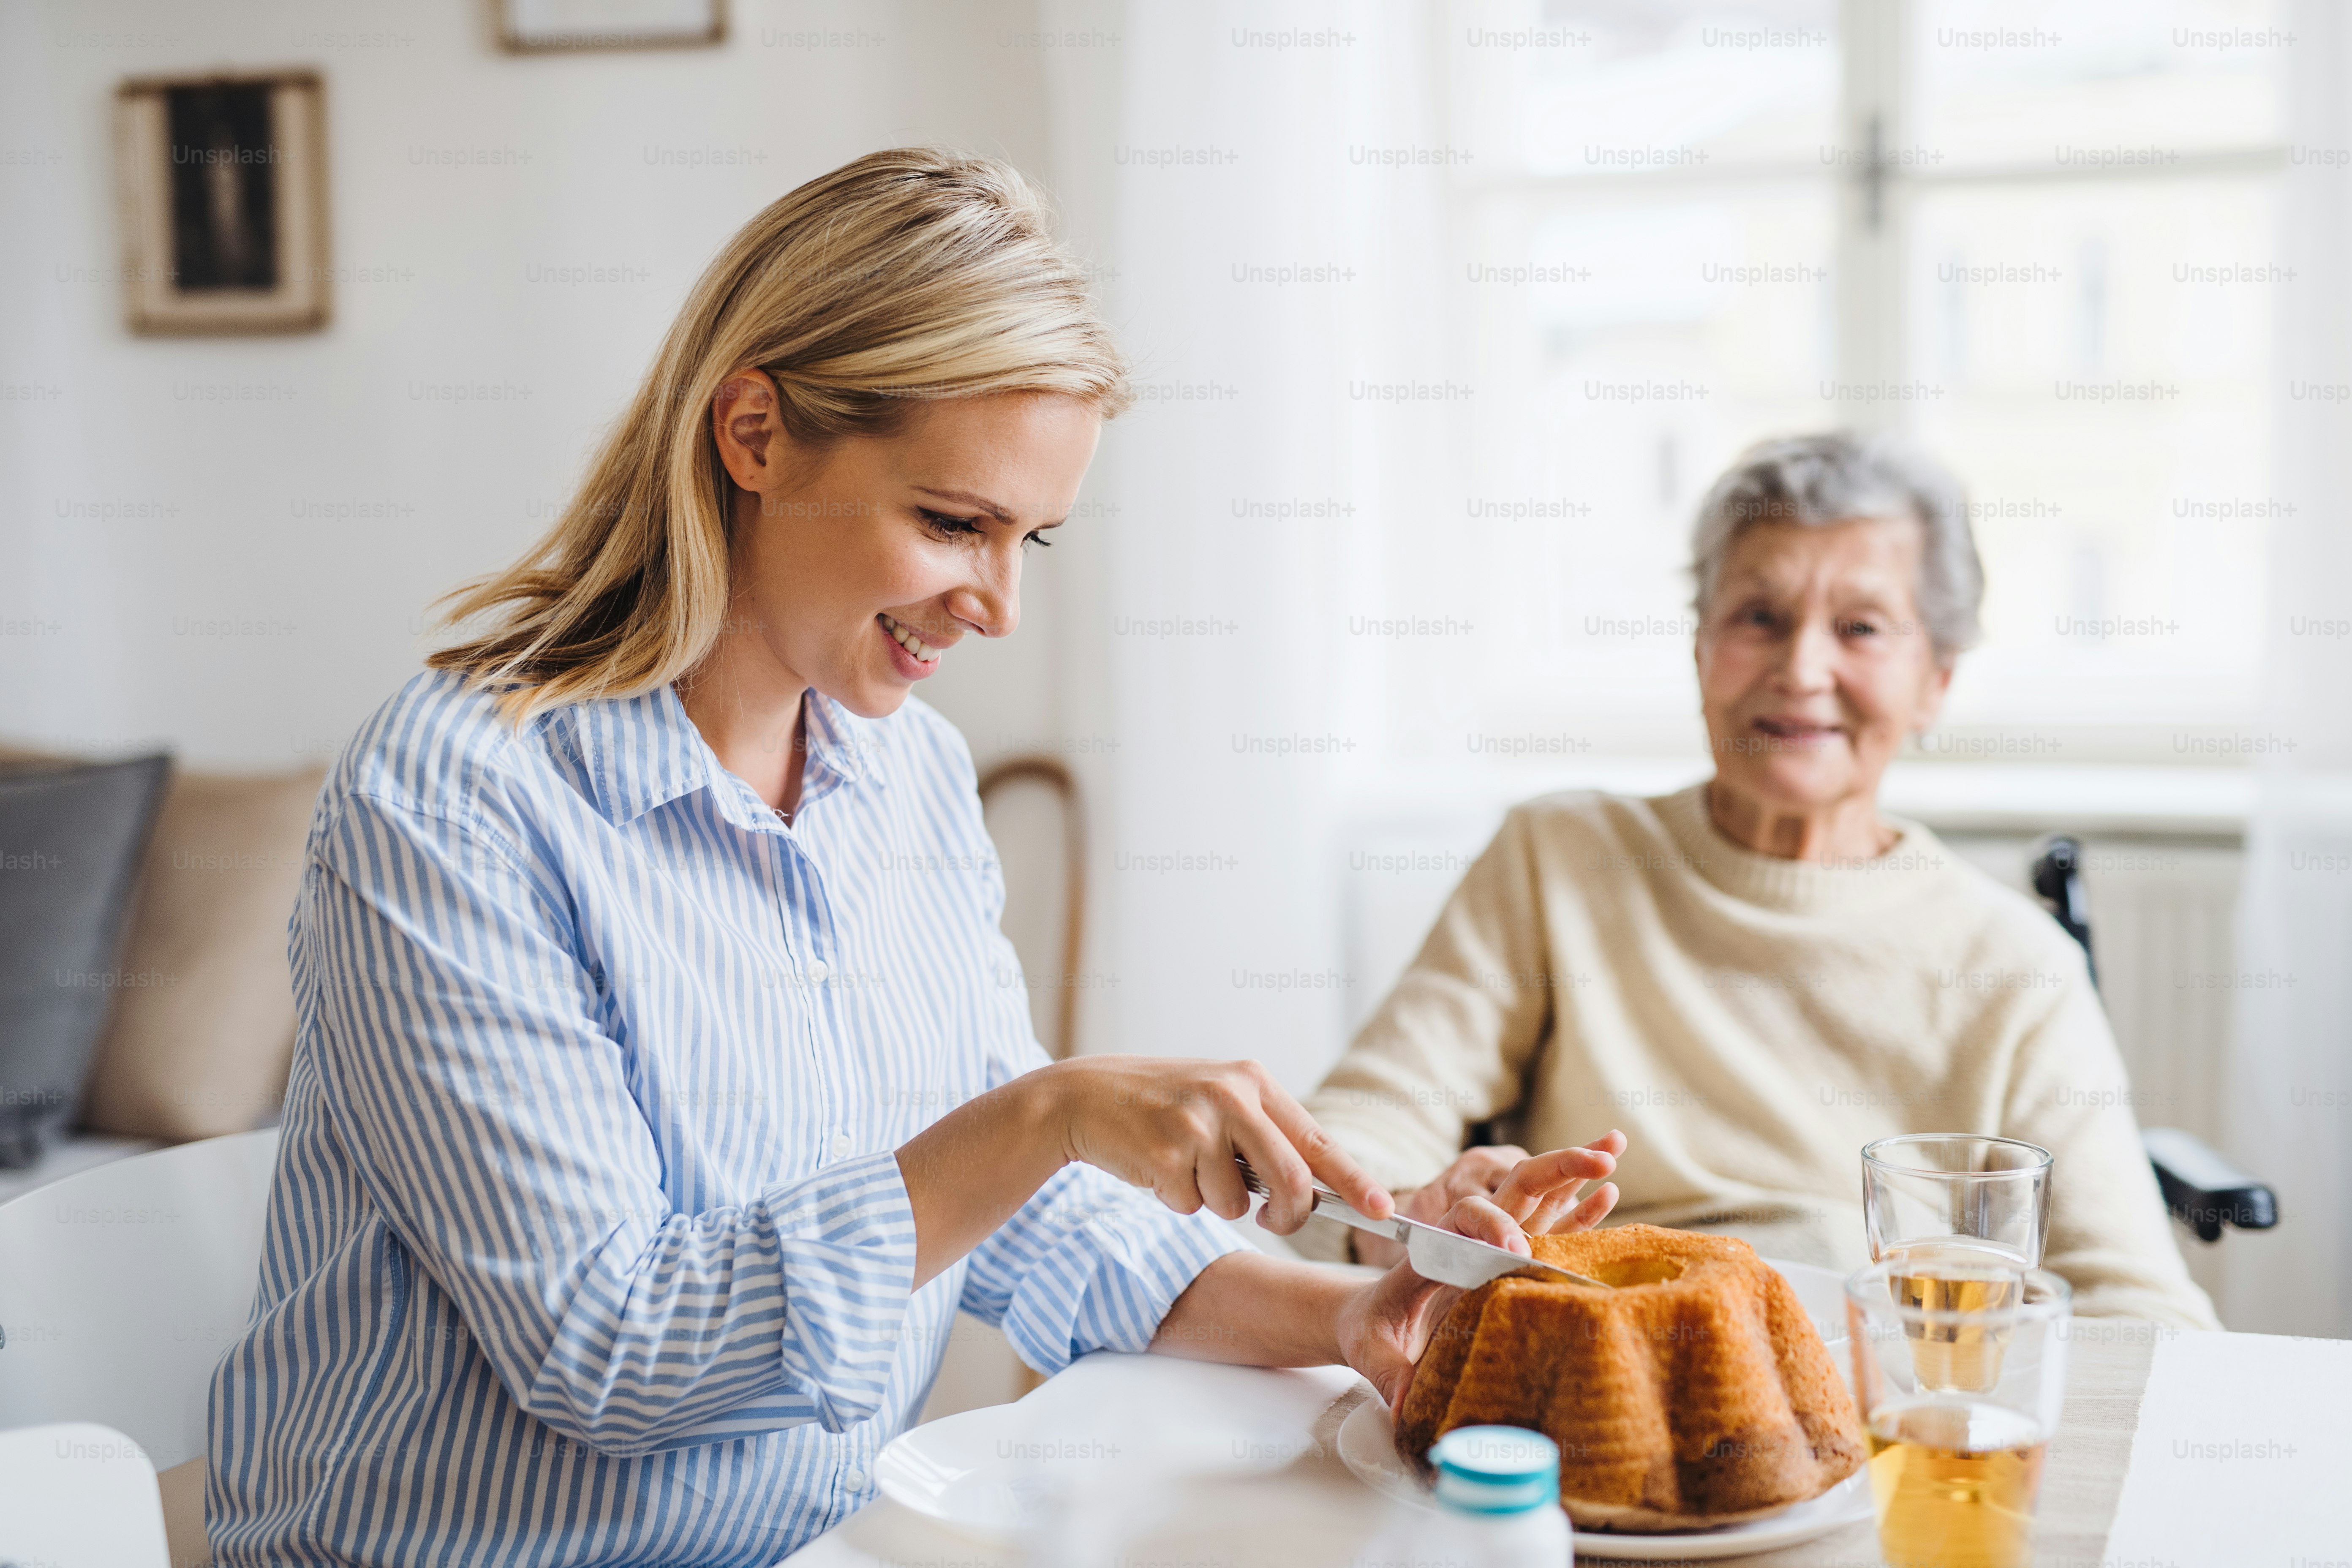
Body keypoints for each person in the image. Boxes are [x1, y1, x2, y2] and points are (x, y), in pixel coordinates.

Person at [202, 149, 1627, 1567]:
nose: (997, 605)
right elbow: (608, 1347)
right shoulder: (452, 799)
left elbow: (1027, 1223)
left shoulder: (905, 773)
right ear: (752, 433)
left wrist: (1346, 1311)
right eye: (951, 523)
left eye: (1029, 540)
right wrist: (1037, 1116)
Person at [1296, 433, 2218, 1330]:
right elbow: (1362, 1128)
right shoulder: (1559, 855)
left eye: (1860, 627)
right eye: (1758, 617)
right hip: (1589, 1359)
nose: (1801, 669)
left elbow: (2136, 1302)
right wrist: (1409, 1218)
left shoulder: (2015, 963)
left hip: (1869, 1398)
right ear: (1702, 648)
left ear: (1934, 679)